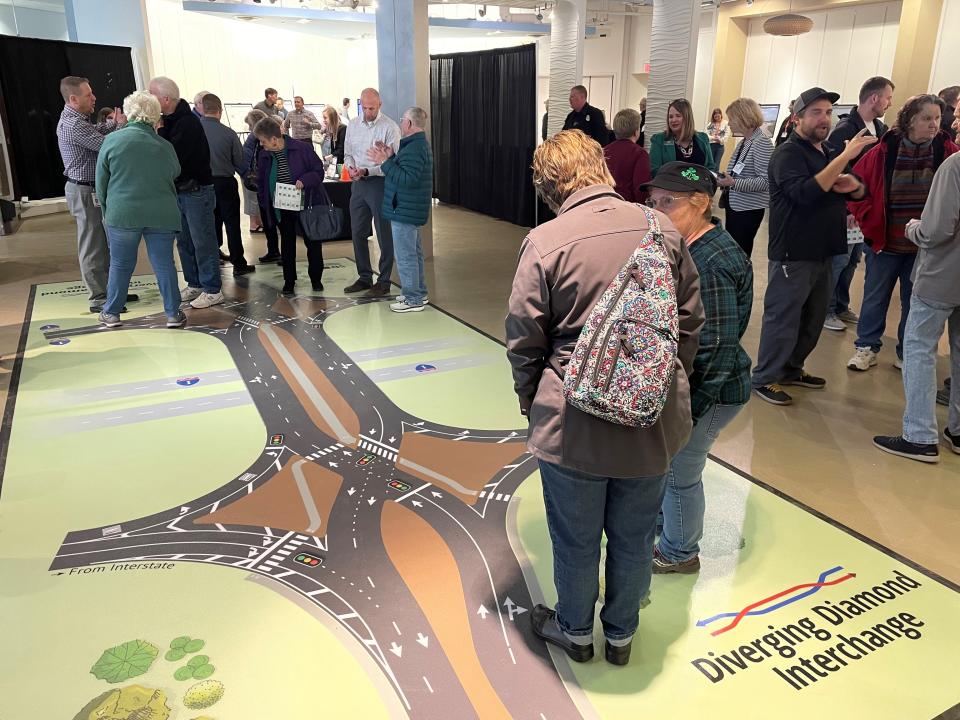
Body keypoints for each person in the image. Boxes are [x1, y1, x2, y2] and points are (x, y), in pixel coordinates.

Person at [506, 129, 703, 668]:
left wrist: (533, 399)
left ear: (549, 185)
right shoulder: (659, 228)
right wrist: (660, 381)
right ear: (602, 167)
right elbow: (688, 321)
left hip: (573, 422)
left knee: (574, 537)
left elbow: (525, 337)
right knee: (636, 535)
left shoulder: (545, 241)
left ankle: (575, 631)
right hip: (651, 421)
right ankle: (621, 634)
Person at [640, 163, 752, 574]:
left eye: (668, 201)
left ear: (701, 203)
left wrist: (692, 408)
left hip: (714, 391)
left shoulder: (712, 260)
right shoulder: (691, 248)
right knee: (671, 467)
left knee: (679, 472)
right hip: (697, 386)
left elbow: (718, 344)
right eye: (653, 201)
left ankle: (679, 551)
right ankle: (664, 527)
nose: (657, 209)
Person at [751, 87, 874, 406]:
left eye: (828, 112)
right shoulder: (788, 154)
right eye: (816, 112)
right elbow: (805, 193)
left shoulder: (827, 152)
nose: (824, 118)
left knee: (814, 316)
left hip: (825, 250)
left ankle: (791, 369)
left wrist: (855, 187)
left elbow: (853, 188)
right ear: (797, 119)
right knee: (784, 316)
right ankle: (765, 376)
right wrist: (846, 157)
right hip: (794, 251)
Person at [845, 95, 958, 372]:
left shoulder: (948, 152)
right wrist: (867, 220)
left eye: (936, 118)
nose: (934, 125)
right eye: (926, 118)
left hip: (925, 248)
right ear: (910, 120)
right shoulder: (884, 150)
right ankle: (866, 347)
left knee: (913, 302)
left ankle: (905, 351)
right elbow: (856, 186)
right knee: (874, 296)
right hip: (885, 242)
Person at [873, 152, 960, 462]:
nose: (954, 123)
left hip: (942, 275)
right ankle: (958, 430)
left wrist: (913, 228)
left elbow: (936, 230)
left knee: (919, 347)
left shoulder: (954, 166)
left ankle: (920, 435)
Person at [95, 91, 185, 330]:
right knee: (164, 263)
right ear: (156, 115)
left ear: (129, 112)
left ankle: (112, 313)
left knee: (121, 264)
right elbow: (175, 172)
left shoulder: (112, 141)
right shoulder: (165, 146)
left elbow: (101, 182)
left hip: (123, 213)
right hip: (162, 213)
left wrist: (107, 210)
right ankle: (173, 314)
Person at [56, 76, 136, 314]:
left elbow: (97, 129)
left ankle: (112, 291)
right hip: (84, 190)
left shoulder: (78, 120)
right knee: (92, 245)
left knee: (104, 242)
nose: (94, 98)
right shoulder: (73, 125)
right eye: (88, 94)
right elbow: (105, 145)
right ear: (73, 99)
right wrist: (121, 126)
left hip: (93, 189)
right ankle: (99, 298)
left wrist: (113, 124)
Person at [822, 77, 895, 332]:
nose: (888, 103)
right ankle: (826, 309)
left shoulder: (881, 129)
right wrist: (846, 209)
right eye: (887, 98)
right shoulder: (845, 129)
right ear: (874, 98)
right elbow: (835, 172)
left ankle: (841, 305)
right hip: (848, 211)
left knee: (853, 260)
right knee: (839, 260)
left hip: (866, 211)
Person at [149, 76, 223, 309]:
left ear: (165, 99)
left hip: (196, 190)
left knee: (203, 241)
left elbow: (173, 157)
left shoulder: (187, 122)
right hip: (180, 191)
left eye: (152, 96)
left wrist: (159, 133)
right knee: (184, 241)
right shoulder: (170, 120)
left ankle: (212, 288)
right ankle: (195, 283)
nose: (149, 100)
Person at [366, 106, 433, 313]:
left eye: (403, 119)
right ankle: (418, 293)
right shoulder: (414, 146)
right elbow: (406, 170)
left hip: (404, 208)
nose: (401, 122)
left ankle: (413, 299)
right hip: (406, 208)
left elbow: (407, 179)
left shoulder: (414, 147)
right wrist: (391, 155)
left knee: (406, 256)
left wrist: (385, 162)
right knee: (413, 253)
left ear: (410, 124)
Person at [254, 117, 327, 296]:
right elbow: (262, 181)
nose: (262, 145)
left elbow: (319, 171)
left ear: (274, 139)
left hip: (306, 204)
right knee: (287, 244)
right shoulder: (265, 155)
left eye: (264, 141)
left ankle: (316, 279)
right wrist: (265, 203)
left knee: (313, 243)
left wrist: (304, 180)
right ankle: (289, 280)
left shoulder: (302, 149)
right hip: (282, 206)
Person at [342, 88, 401, 297]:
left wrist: (368, 169)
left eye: (372, 108)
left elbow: (393, 162)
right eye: (365, 108)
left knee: (383, 234)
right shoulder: (354, 125)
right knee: (357, 231)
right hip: (358, 184)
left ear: (380, 105)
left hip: (380, 183)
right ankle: (364, 276)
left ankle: (384, 280)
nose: (368, 112)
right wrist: (351, 169)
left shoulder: (390, 128)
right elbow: (348, 153)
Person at [200, 93, 254, 275]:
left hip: (201, 184)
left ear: (202, 108)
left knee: (207, 225)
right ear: (220, 110)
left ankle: (211, 263)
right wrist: (249, 177)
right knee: (232, 224)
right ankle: (239, 264)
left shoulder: (194, 131)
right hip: (225, 184)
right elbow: (239, 162)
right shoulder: (228, 133)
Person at [717, 97, 773, 257]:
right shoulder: (746, 141)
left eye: (731, 119)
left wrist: (733, 182)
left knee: (740, 254)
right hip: (736, 206)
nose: (729, 123)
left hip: (747, 210)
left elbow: (765, 181)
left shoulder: (761, 142)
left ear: (743, 118)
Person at [242, 110, 280, 261]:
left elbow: (246, 158)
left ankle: (275, 251)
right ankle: (274, 251)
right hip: (265, 183)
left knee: (272, 218)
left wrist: (246, 175)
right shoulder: (261, 138)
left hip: (264, 183)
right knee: (271, 219)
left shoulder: (254, 139)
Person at [649, 98, 717, 175]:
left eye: (678, 116)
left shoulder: (703, 138)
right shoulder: (659, 139)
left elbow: (710, 167)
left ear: (687, 118)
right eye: (670, 117)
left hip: (699, 186)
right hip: (670, 186)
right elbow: (654, 170)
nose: (673, 120)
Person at [603, 109, 651, 203]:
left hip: (605, 203)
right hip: (628, 206)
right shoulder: (639, 154)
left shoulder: (604, 151)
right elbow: (641, 189)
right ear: (636, 131)